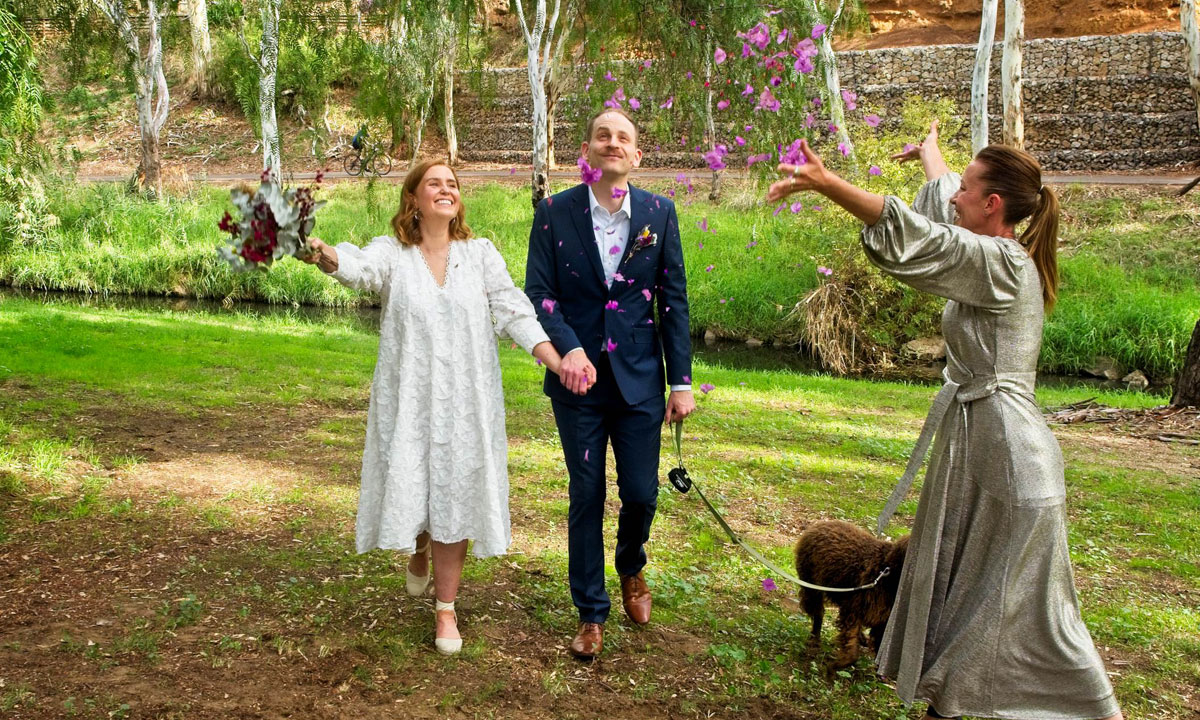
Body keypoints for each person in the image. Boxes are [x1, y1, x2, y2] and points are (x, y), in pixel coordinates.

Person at [766, 123, 1123, 720]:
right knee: (965, 593)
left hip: (1010, 462)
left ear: (994, 204)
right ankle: (948, 705)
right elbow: (945, 216)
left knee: (1026, 606)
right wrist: (932, 156)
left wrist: (830, 185)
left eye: (967, 188)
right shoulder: (992, 251)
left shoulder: (1004, 263)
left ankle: (1093, 709)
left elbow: (927, 239)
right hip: (983, 448)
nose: (954, 194)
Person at [302, 160, 565, 656]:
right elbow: (359, 268)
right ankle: (420, 544)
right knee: (419, 482)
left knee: (455, 493)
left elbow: (513, 309)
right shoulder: (393, 254)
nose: (446, 189)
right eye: (434, 183)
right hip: (410, 399)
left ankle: (446, 609)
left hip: (467, 402)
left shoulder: (480, 254)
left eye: (452, 184)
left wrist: (556, 360)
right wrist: (325, 254)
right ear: (414, 200)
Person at [524, 108, 696, 659]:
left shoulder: (659, 214)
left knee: (641, 492)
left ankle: (631, 566)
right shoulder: (554, 213)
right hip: (577, 382)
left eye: (623, 137)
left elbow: (673, 302)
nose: (612, 143)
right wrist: (568, 349)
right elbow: (539, 294)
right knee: (587, 493)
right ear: (587, 150)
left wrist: (681, 382)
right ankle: (590, 612)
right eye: (603, 135)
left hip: (641, 379)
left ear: (636, 155)